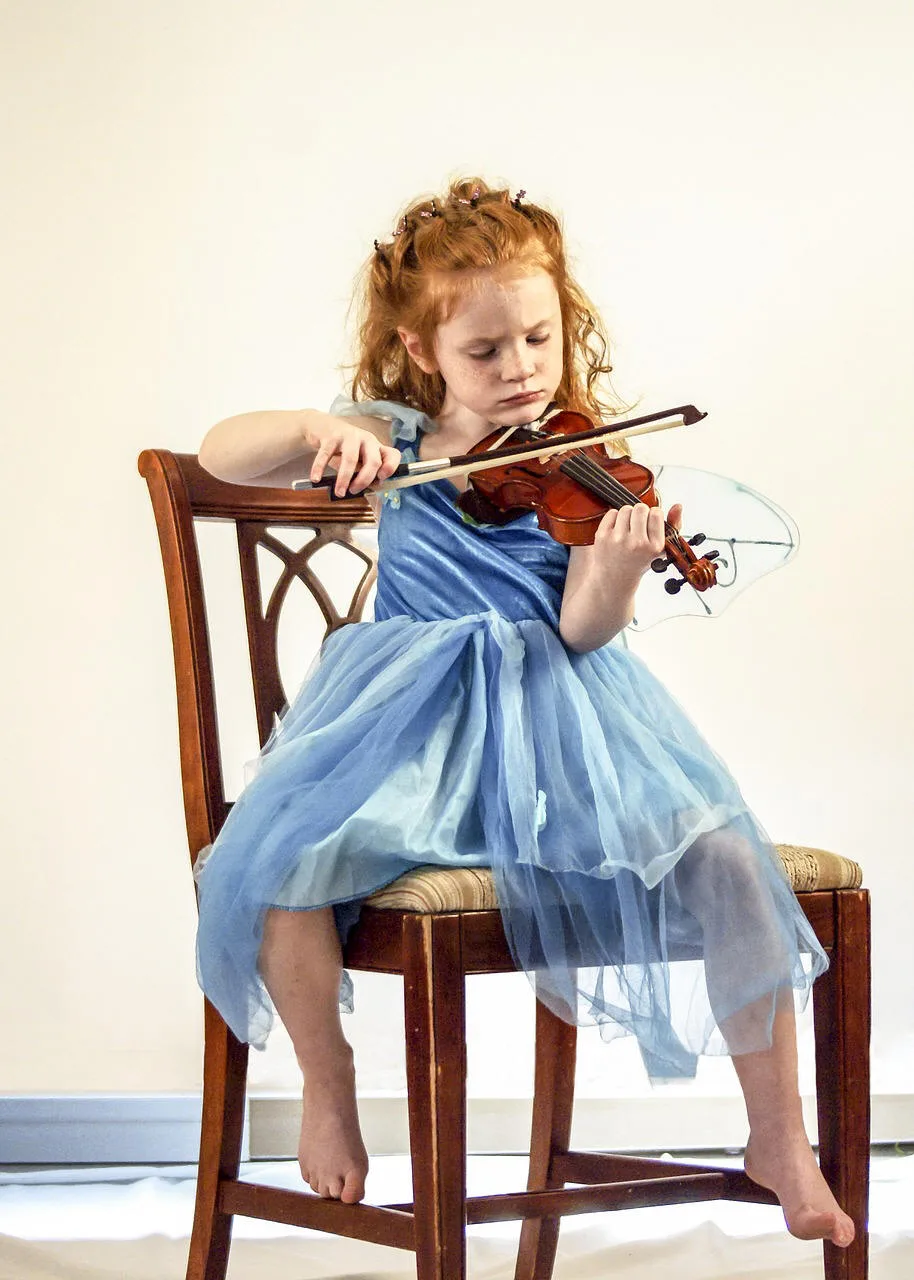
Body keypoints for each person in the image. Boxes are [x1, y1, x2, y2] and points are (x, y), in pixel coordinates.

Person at [195, 178, 854, 1246]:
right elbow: (224, 452)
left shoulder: (584, 463)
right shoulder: (391, 439)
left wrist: (618, 565)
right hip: (406, 736)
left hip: (562, 733)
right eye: (484, 350)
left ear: (564, 327)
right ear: (420, 350)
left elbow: (581, 631)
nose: (516, 371)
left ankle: (776, 1133)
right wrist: (320, 426)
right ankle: (326, 1081)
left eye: (536, 340)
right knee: (279, 864)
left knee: (732, 863)